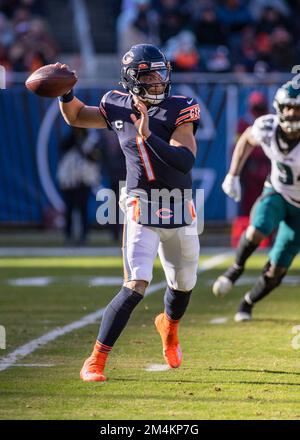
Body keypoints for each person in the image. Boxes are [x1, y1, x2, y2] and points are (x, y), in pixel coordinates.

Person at [57, 43, 200, 381]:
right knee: (135, 283)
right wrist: (66, 93)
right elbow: (77, 116)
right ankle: (95, 360)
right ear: (132, 80)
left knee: (182, 285)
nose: (157, 82)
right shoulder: (116, 104)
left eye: (160, 73)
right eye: (149, 75)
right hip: (140, 203)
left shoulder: (180, 107)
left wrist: (148, 135)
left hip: (179, 205)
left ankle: (168, 325)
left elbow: (185, 160)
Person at [212, 81, 300, 322]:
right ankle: (235, 269)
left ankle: (247, 302)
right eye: (289, 107)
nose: (293, 113)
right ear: (279, 108)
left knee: (277, 269)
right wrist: (233, 174)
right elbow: (246, 140)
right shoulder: (267, 127)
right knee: (257, 228)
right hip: (278, 193)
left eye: (298, 109)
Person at [57, 127, 101, 246]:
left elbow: (94, 157)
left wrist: (83, 144)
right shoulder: (71, 138)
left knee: (83, 210)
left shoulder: (92, 139)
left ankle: (84, 236)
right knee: (69, 209)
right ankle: (68, 235)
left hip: (83, 180)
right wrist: (75, 137)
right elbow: (62, 147)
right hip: (68, 180)